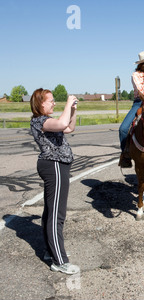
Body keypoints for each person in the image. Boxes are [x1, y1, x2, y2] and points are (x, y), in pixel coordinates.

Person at [29, 88, 80, 275]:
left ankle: (50, 253)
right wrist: (67, 104)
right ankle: (59, 261)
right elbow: (61, 123)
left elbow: (69, 127)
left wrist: (73, 110)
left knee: (50, 212)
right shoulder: (39, 120)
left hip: (57, 166)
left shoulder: (47, 121)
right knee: (57, 214)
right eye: (50, 101)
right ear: (40, 103)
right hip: (54, 166)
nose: (54, 103)